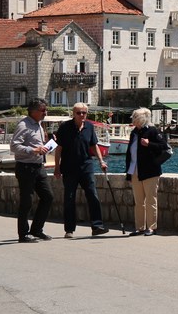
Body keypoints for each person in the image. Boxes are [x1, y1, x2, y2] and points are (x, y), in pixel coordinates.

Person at [53, 102, 109, 239]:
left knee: (93, 195)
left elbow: (94, 145)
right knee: (69, 198)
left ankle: (97, 226)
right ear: (74, 114)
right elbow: (59, 149)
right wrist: (57, 167)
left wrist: (101, 161)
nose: (82, 115)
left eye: (84, 112)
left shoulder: (89, 126)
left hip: (86, 166)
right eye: (79, 113)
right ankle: (69, 229)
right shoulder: (65, 127)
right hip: (69, 168)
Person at [10, 98, 54, 243]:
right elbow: (14, 146)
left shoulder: (39, 125)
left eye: (46, 110)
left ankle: (37, 230)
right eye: (43, 110)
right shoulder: (24, 125)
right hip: (26, 167)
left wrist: (47, 145)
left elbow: (38, 145)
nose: (45, 113)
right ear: (33, 111)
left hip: (39, 166)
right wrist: (33, 150)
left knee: (48, 197)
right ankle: (23, 234)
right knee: (26, 201)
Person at [125, 107, 169, 236]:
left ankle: (151, 227)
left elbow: (164, 146)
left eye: (135, 118)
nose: (133, 120)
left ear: (142, 119)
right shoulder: (134, 133)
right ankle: (139, 227)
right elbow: (130, 153)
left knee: (150, 200)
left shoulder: (152, 131)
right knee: (139, 202)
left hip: (150, 171)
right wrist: (128, 172)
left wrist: (149, 144)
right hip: (135, 170)